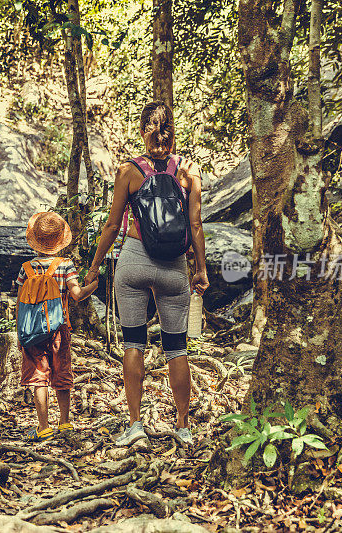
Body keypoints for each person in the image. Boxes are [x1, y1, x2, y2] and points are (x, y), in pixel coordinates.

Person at [84, 101, 209, 447]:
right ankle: (182, 426)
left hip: (134, 262)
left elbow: (112, 226)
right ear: (173, 134)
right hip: (174, 268)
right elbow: (196, 225)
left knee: (134, 343)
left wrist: (94, 267)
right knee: (176, 347)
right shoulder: (189, 171)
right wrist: (200, 269)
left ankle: (135, 423)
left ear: (142, 131)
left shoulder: (128, 172)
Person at [16, 211, 99, 442]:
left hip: (31, 330)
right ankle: (64, 423)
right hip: (58, 329)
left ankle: (43, 426)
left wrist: (20, 332)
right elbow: (77, 294)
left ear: (35, 239)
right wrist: (93, 285)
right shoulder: (65, 265)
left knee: (38, 376)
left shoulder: (26, 268)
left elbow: (20, 300)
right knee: (61, 372)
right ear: (61, 241)